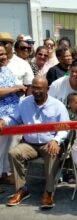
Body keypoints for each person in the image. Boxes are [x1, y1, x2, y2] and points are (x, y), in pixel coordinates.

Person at [0, 76, 69, 209]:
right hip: (29, 144)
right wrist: (3, 121)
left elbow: (65, 128)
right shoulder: (24, 102)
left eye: (39, 88)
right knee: (14, 153)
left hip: (49, 143)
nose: (35, 91)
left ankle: (48, 193)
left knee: (53, 153)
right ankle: (21, 190)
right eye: (33, 87)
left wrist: (56, 140)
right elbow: (14, 119)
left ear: (47, 89)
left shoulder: (58, 106)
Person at [0, 43, 27, 192]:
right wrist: (14, 89)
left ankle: (4, 174)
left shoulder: (6, 69)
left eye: (4, 53)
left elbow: (11, 87)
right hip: (1, 116)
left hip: (13, 114)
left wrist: (19, 90)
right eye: (0, 55)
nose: (3, 57)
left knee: (8, 146)